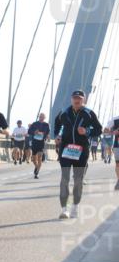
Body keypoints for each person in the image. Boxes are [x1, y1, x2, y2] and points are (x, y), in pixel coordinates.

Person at [54, 90, 102, 219]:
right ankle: (64, 209)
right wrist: (57, 135)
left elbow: (98, 129)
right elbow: (57, 125)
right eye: (75, 98)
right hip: (66, 149)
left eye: (79, 98)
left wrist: (86, 131)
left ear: (83, 100)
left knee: (78, 180)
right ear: (71, 99)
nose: (77, 100)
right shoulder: (64, 113)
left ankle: (74, 206)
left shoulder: (89, 113)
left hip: (81, 151)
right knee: (65, 178)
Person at [28, 112, 50, 179]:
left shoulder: (46, 125)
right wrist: (34, 132)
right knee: (34, 159)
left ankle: (37, 173)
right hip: (35, 142)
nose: (41, 118)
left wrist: (46, 136)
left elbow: (47, 133)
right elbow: (29, 131)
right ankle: (36, 166)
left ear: (44, 118)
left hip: (41, 142)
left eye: (43, 117)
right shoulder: (34, 124)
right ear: (39, 117)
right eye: (40, 116)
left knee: (40, 157)